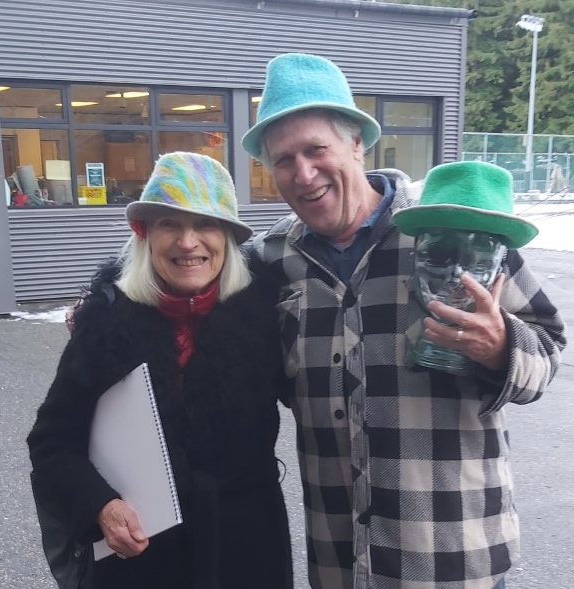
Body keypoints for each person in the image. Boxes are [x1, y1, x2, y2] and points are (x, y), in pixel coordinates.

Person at [240, 53, 566, 589]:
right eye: (283, 159)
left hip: (451, 553)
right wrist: (106, 301)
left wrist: (502, 346)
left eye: (317, 148)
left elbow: (549, 344)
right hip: (338, 556)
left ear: (356, 145)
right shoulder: (271, 259)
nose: (303, 173)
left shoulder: (453, 226)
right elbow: (190, 282)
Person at [28, 151, 293, 589]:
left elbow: (325, 398)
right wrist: (101, 506)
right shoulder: (106, 324)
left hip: (245, 552)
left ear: (227, 237)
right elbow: (52, 442)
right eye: (169, 223)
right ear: (146, 235)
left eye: (205, 224)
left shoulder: (265, 319)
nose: (187, 242)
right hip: (139, 559)